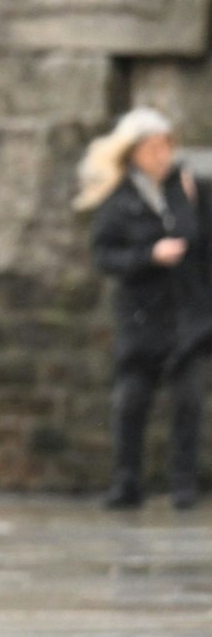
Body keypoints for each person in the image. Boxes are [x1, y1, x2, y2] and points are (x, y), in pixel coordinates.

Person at [87, 108, 212, 511]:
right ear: (134, 152)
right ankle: (126, 483)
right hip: (142, 316)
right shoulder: (119, 200)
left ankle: (183, 485)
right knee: (131, 401)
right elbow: (105, 254)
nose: (162, 155)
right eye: (153, 148)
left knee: (189, 400)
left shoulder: (189, 189)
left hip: (187, 315)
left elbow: (202, 245)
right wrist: (148, 255)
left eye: (167, 146)